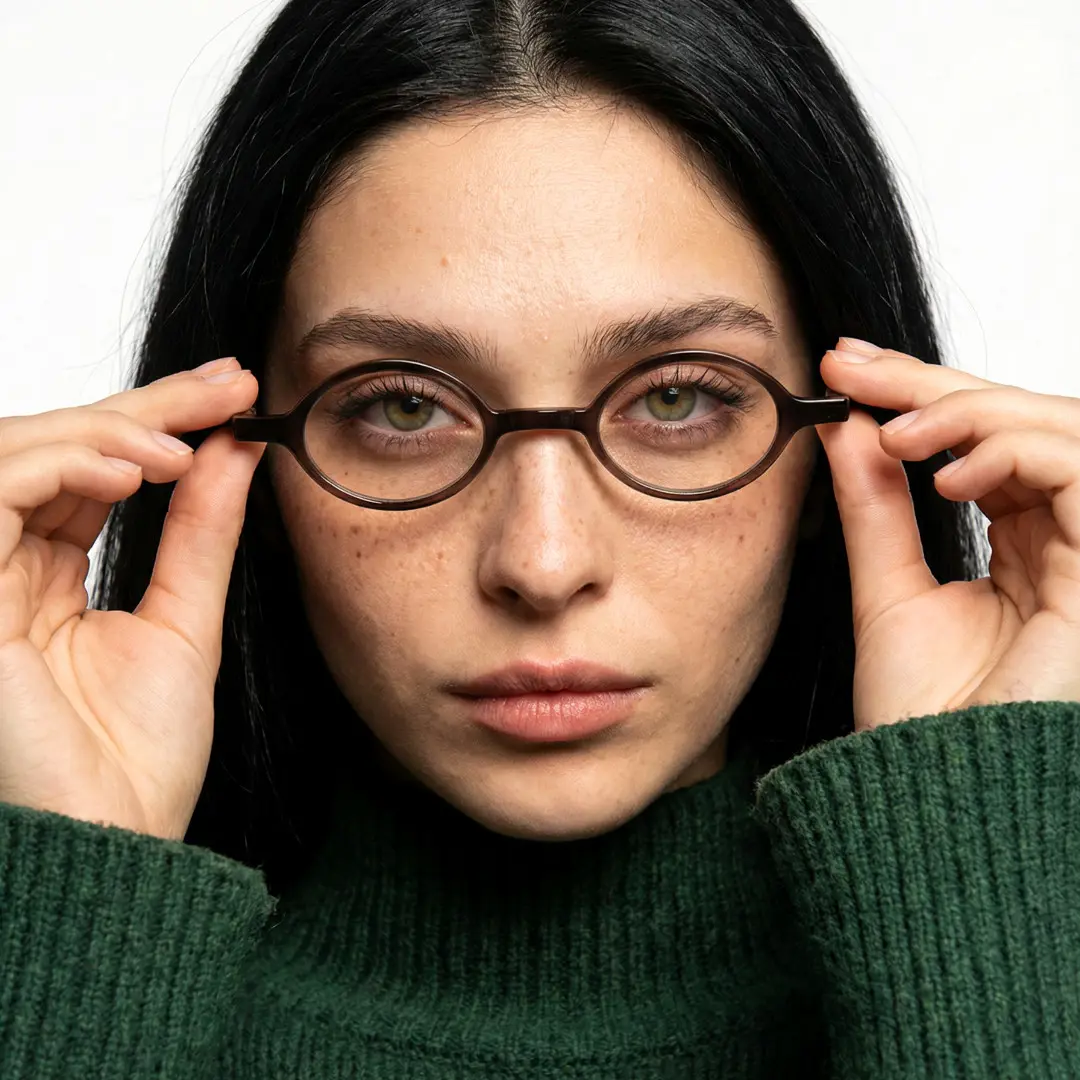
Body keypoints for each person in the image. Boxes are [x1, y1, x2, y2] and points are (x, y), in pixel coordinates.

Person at [1, 0, 1078, 1075]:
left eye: (675, 401)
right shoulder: (78, 988)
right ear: (246, 458)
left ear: (843, 444)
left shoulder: (1016, 960)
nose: (543, 563)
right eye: (403, 408)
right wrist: (73, 894)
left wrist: (981, 874)